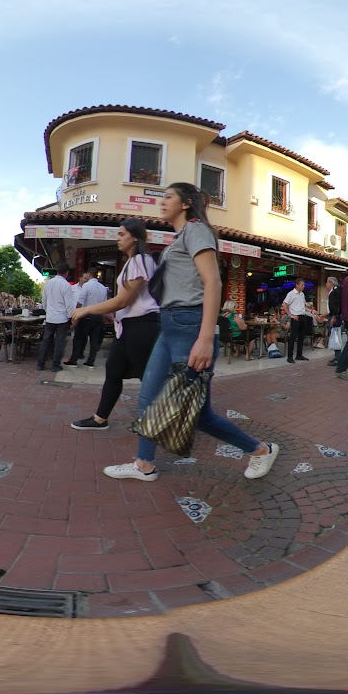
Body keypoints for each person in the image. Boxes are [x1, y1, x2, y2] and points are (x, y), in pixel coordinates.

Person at [103, 182, 279, 482]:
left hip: (189, 324)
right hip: (169, 324)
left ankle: (261, 450)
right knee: (147, 398)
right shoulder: (178, 238)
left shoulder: (197, 230)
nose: (162, 202)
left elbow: (213, 282)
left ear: (185, 203)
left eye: (168, 197)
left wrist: (206, 336)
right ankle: (144, 464)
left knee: (197, 413)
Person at [70, 219, 162, 431]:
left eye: (122, 234)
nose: (118, 238)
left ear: (135, 237)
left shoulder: (141, 259)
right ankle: (100, 418)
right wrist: (115, 314)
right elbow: (126, 302)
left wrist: (86, 309)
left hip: (142, 326)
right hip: (129, 326)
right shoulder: (133, 262)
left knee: (147, 376)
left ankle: (164, 419)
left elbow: (124, 300)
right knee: (114, 370)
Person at [65, 266, 108, 367]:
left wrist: (77, 312)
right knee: (94, 340)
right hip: (98, 316)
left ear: (89, 274)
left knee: (78, 337)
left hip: (86, 315)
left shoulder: (87, 286)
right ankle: (90, 361)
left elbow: (80, 301)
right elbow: (105, 303)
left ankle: (74, 359)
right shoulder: (103, 288)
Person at [36, 265, 76, 372]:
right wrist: (71, 317)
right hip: (62, 319)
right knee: (59, 342)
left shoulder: (48, 284)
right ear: (67, 273)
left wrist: (48, 311)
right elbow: (69, 305)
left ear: (57, 272)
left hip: (50, 318)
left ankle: (40, 364)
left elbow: (44, 301)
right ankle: (55, 365)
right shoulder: (66, 285)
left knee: (46, 341)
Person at [282, 282, 314, 362]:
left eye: (304, 285)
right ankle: (290, 356)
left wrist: (311, 311)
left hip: (303, 316)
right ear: (297, 285)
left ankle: (299, 355)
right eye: (302, 285)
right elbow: (284, 304)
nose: (303, 286)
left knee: (301, 337)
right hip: (295, 317)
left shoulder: (302, 294)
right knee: (293, 337)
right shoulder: (291, 294)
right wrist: (290, 315)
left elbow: (303, 306)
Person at [322, 276, 343, 367]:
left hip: (335, 317)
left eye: (327, 282)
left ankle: (338, 358)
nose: (326, 284)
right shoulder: (332, 292)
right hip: (332, 315)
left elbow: (336, 307)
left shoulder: (334, 293)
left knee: (335, 336)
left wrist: (334, 317)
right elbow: (332, 307)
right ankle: (337, 356)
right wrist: (326, 314)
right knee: (334, 335)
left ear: (331, 283)